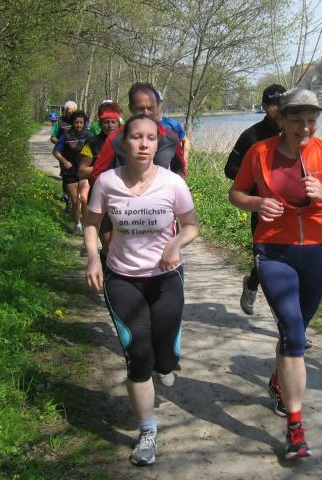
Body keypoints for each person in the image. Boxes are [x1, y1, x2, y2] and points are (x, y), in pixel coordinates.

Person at [228, 88, 322, 459]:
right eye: (297, 120)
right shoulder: (260, 152)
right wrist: (257, 202)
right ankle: (295, 427)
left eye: (311, 120)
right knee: (293, 334)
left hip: (317, 251)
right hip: (273, 251)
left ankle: (279, 379)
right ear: (282, 120)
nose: (305, 128)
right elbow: (236, 194)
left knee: (296, 332)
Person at [84, 114, 199, 467]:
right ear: (124, 143)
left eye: (150, 138)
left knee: (164, 360)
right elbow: (92, 223)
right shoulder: (107, 182)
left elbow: (191, 226)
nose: (144, 144)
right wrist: (93, 258)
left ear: (158, 144)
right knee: (139, 357)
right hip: (122, 279)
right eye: (136, 137)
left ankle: (168, 355)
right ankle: (147, 431)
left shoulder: (172, 183)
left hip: (166, 278)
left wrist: (175, 244)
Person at [224, 83, 286, 315]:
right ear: (264, 107)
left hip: (293, 207)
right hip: (262, 206)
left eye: (282, 104)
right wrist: (255, 180)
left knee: (289, 260)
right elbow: (230, 168)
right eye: (273, 105)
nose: (278, 109)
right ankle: (253, 283)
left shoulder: (295, 131)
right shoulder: (251, 136)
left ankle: (288, 317)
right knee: (266, 258)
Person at [90, 84, 185, 184]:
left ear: (157, 107)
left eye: (150, 108)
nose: (146, 113)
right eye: (140, 109)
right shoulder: (115, 139)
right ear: (131, 108)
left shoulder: (171, 138)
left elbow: (180, 170)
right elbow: (97, 176)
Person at [78, 102, 123, 260]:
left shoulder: (127, 141)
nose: (110, 125)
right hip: (101, 197)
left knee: (124, 244)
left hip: (125, 197)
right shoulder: (92, 143)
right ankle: (105, 271)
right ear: (100, 123)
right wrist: (102, 167)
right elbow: (81, 172)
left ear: (119, 122)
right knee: (108, 246)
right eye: (106, 122)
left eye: (113, 122)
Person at [52, 110, 92, 234]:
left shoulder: (89, 135)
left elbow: (96, 151)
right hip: (70, 171)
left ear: (84, 123)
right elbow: (55, 152)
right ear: (72, 123)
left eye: (81, 122)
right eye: (76, 122)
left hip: (84, 172)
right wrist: (64, 162)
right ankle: (77, 224)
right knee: (75, 201)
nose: (79, 125)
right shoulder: (66, 136)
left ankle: (85, 224)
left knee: (84, 199)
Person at [156, 90, 191, 163]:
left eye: (157, 101)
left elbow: (185, 141)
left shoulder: (172, 124)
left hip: (171, 166)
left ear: (161, 103)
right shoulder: (143, 124)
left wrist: (184, 160)